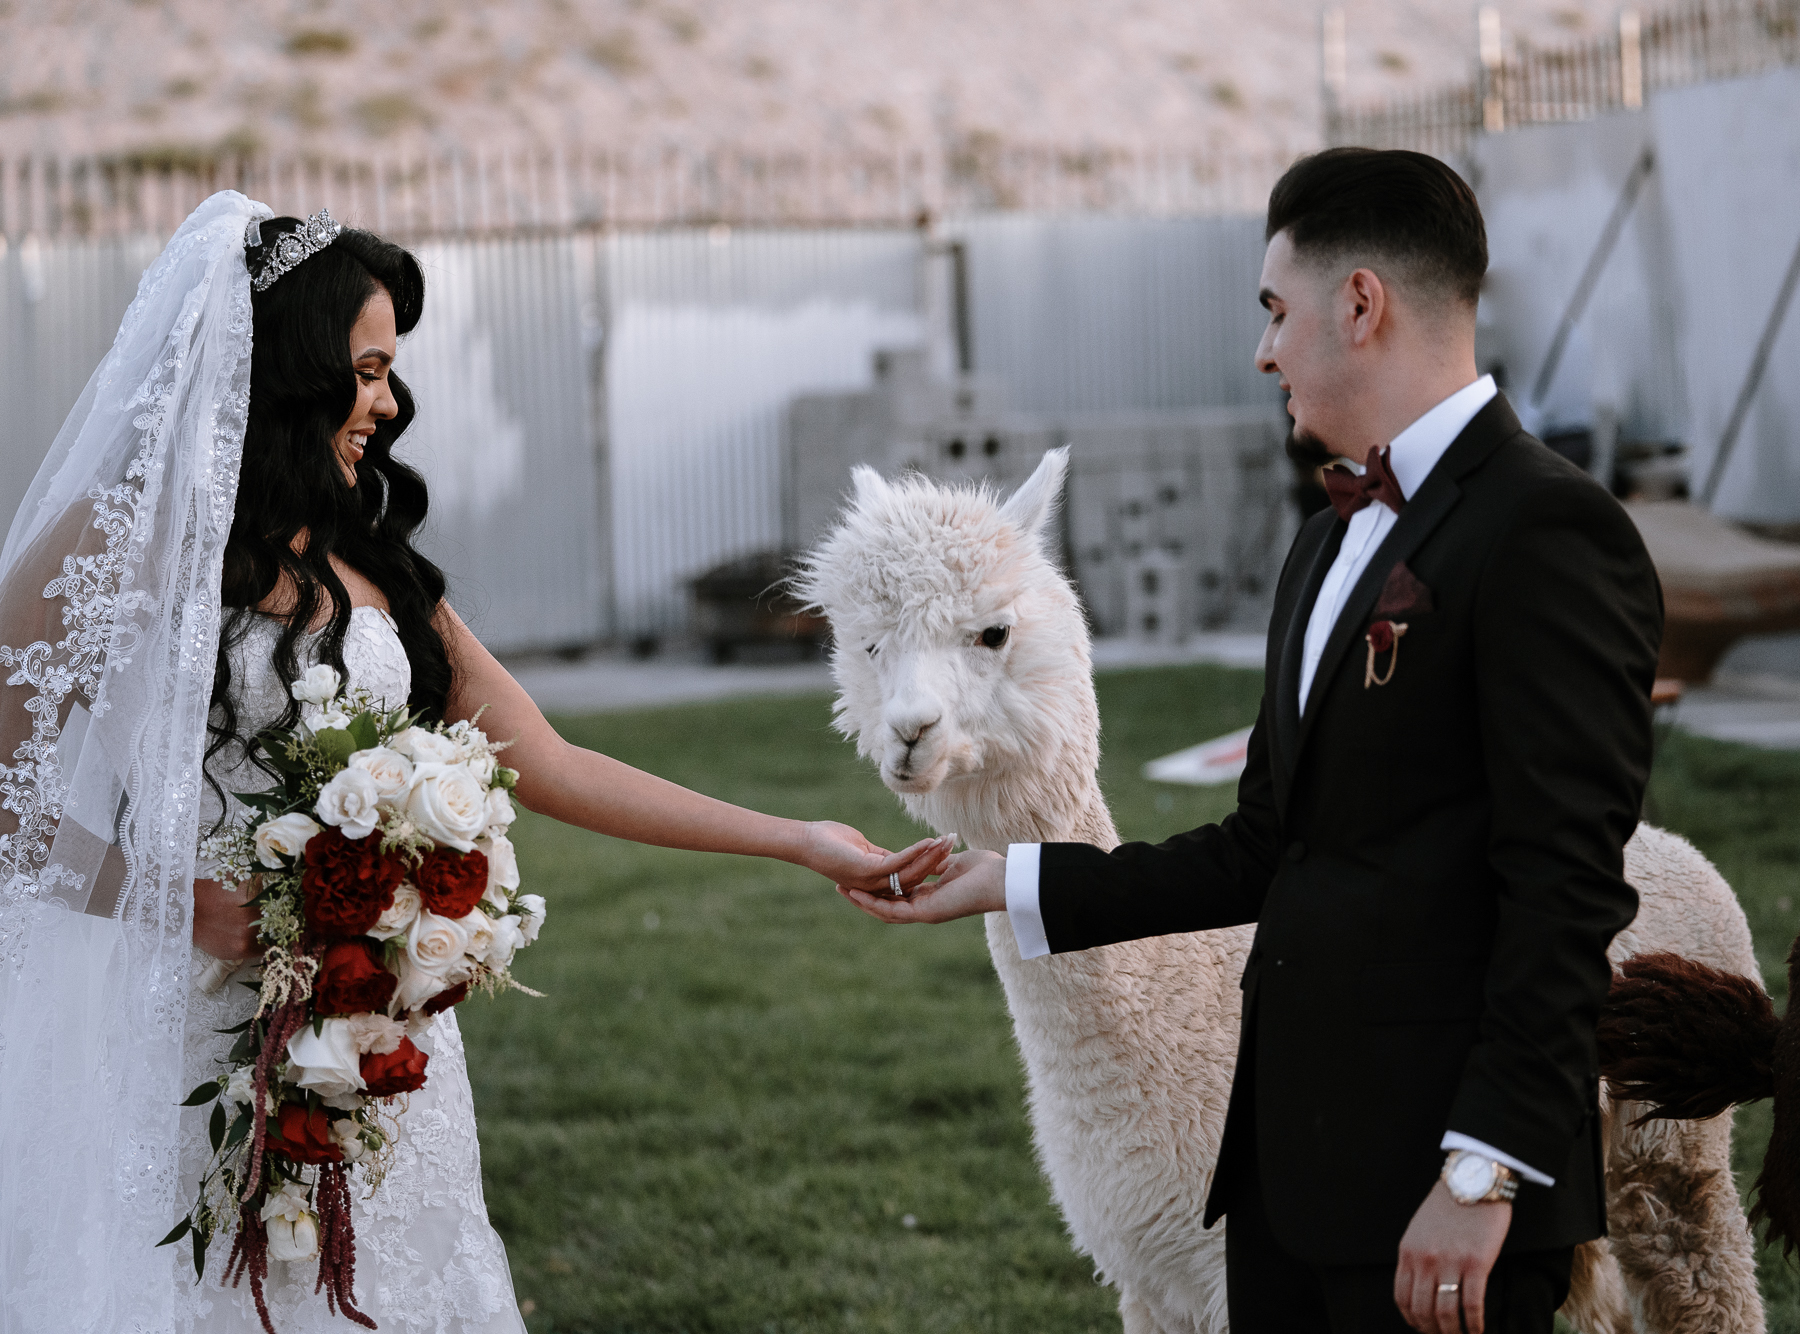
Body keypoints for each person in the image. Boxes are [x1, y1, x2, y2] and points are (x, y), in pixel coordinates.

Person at [0, 194, 948, 1334]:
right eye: (364, 368)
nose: (388, 401)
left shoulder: (378, 573)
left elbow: (547, 758)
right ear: (293, 370)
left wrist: (797, 838)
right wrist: (174, 905)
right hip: (196, 1036)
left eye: (389, 370)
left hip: (383, 1040)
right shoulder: (122, 538)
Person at [840, 148, 1663, 1334]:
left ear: (1361, 304)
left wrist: (1482, 1170)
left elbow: (1566, 886)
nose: (1265, 349)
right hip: (1285, 1192)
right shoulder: (1325, 545)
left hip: (1437, 1202)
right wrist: (1012, 877)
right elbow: (1267, 843)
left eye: (1275, 312)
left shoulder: (1549, 530)